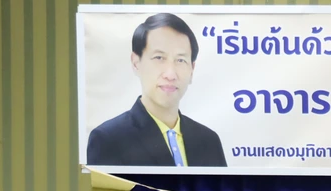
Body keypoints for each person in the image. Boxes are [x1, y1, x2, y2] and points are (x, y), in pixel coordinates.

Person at [86, 13, 227, 168]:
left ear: (192, 70)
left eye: (180, 60)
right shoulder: (108, 139)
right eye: (159, 58)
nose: (170, 74)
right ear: (136, 63)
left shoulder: (209, 141)